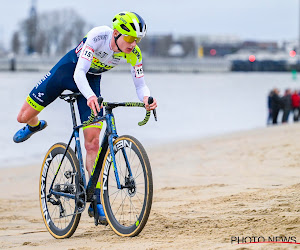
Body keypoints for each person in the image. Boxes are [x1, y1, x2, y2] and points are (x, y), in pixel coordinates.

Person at [13, 11, 157, 224]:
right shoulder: (99, 36)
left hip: (92, 82)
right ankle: (34, 126)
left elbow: (140, 84)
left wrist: (147, 98)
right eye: (129, 38)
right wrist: (90, 96)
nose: (133, 43)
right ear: (116, 33)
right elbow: (79, 73)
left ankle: (97, 201)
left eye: (137, 39)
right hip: (67, 72)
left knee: (92, 145)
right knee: (23, 116)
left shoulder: (133, 53)